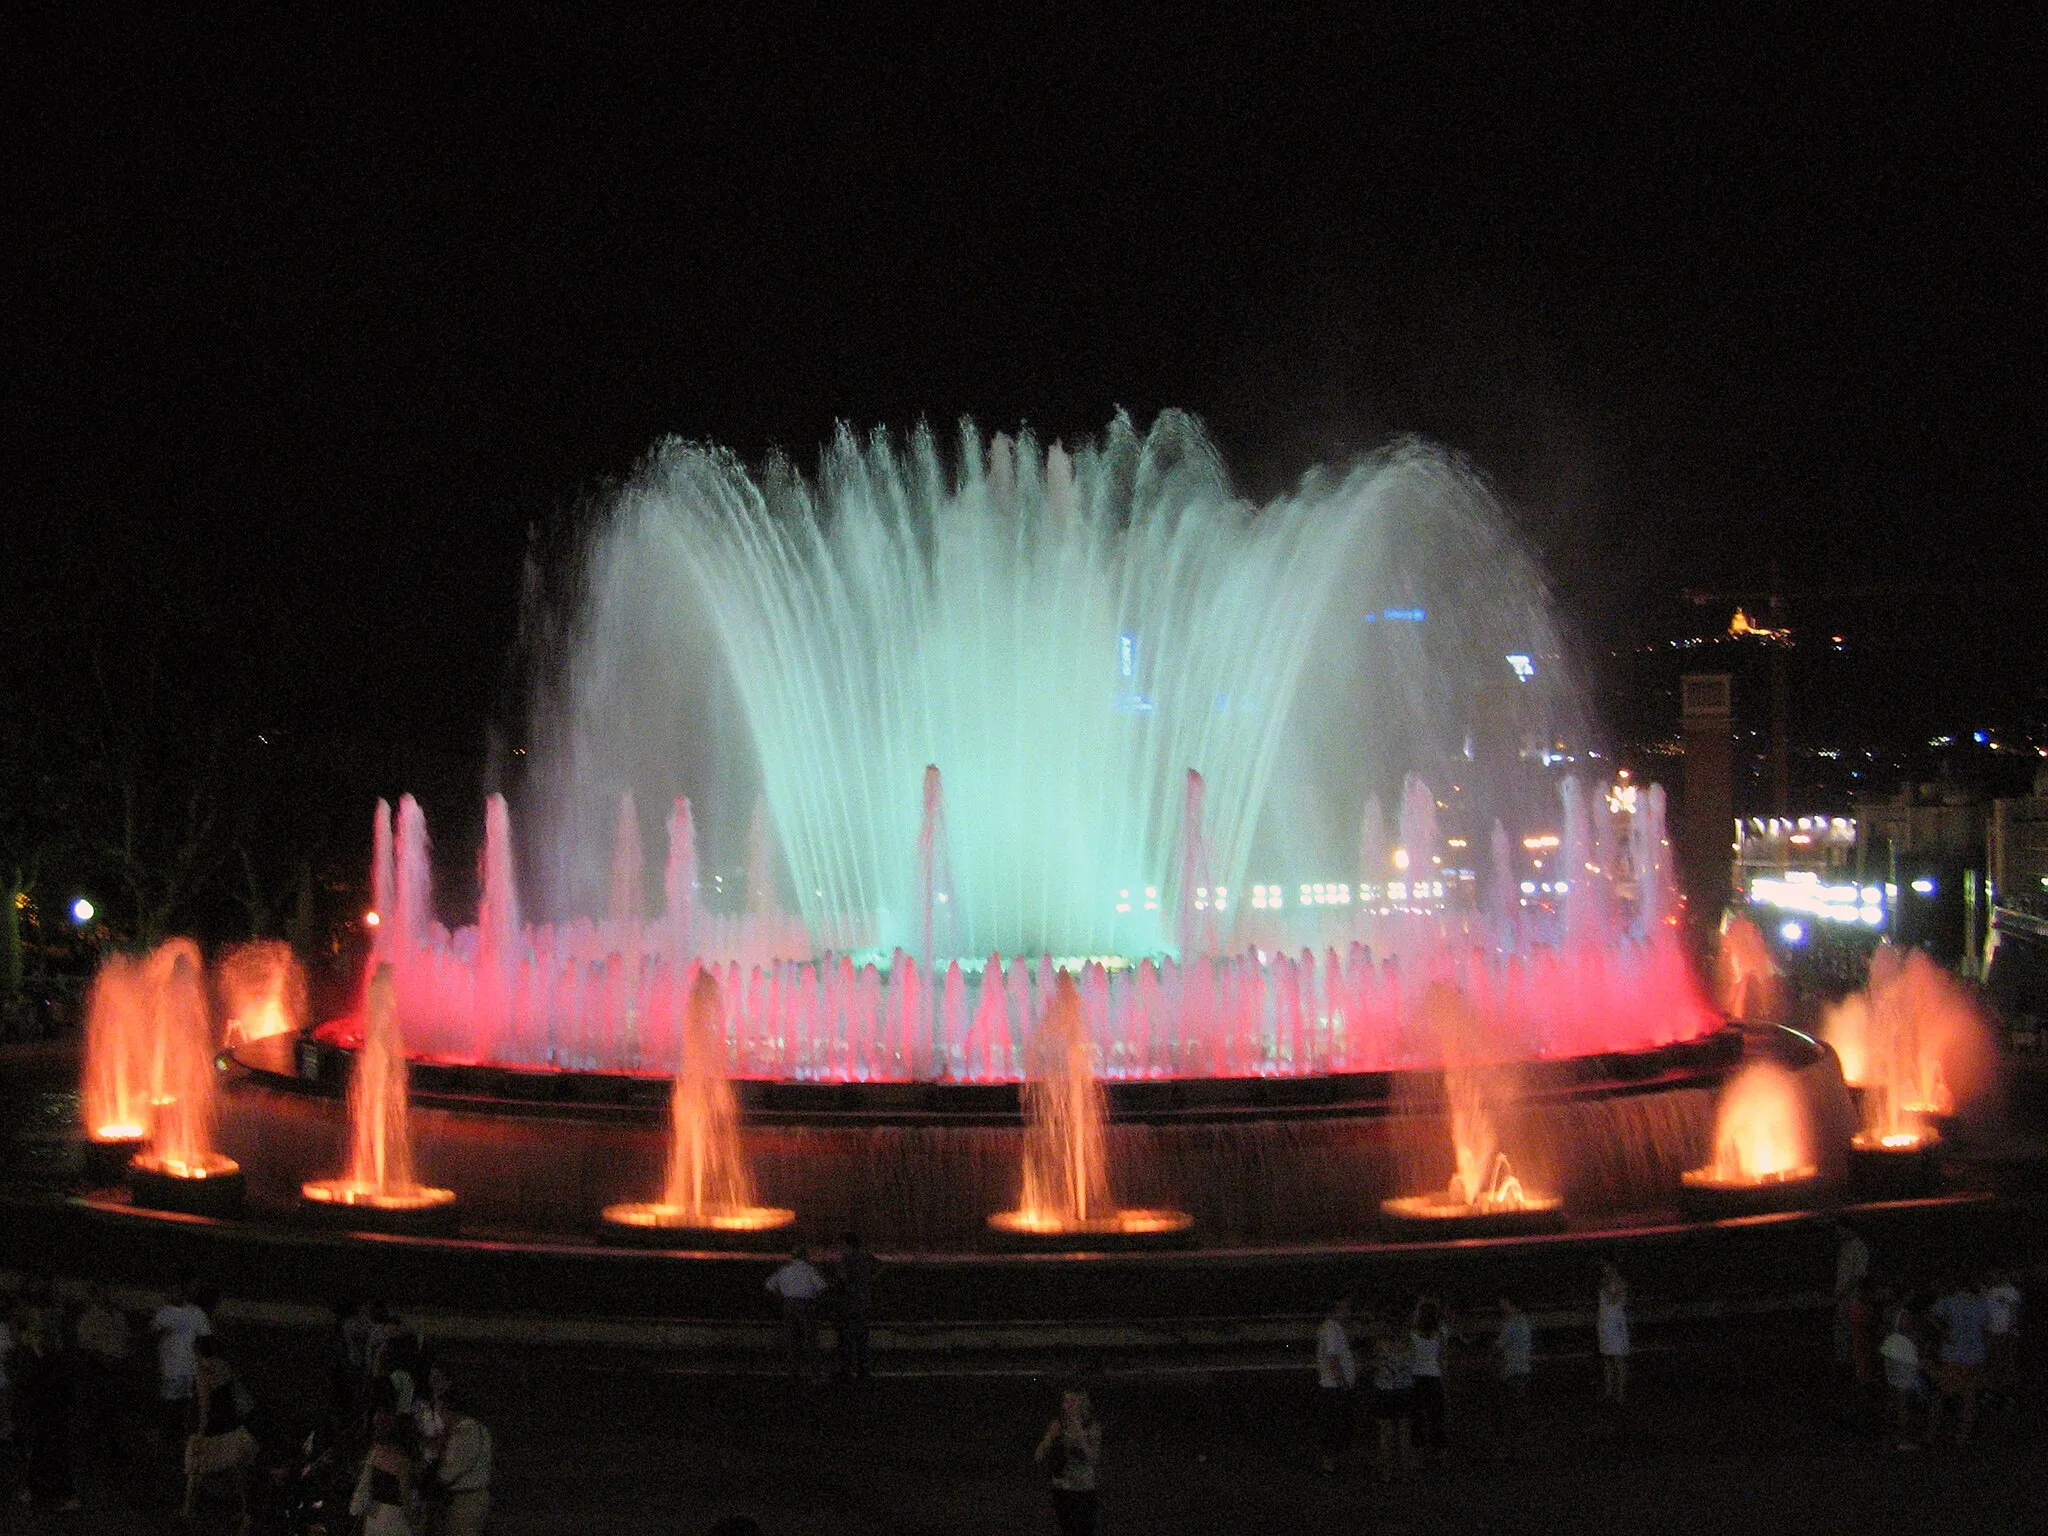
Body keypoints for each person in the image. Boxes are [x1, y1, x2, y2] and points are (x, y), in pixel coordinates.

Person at [184, 1333, 257, 1526]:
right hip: (230, 1425)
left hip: (211, 1429)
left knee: (195, 1469)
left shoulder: (203, 1371)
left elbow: (204, 1406)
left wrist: (200, 1433)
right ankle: (245, 1509)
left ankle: (188, 1509)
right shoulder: (225, 1367)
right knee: (238, 1469)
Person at [14, 1313, 78, 1512]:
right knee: (44, 1453)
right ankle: (37, 1490)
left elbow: (39, 1387)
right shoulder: (49, 1361)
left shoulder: (50, 1363)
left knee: (51, 1453)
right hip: (50, 1414)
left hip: (51, 1415)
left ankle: (64, 1495)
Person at [74, 1281, 132, 1470]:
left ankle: (114, 1452)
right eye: (101, 1292)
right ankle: (94, 1454)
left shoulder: (118, 1316)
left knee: (115, 1412)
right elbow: (85, 1345)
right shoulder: (89, 1318)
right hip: (99, 1370)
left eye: (108, 1291)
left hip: (117, 1369)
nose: (106, 1296)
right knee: (98, 1412)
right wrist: (102, 1358)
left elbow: (124, 1342)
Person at [152, 1276, 213, 1452]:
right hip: (170, 1371)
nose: (173, 1295)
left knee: (187, 1412)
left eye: (176, 1291)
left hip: (189, 1371)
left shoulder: (195, 1314)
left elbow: (205, 1340)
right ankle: (168, 1445)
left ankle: (184, 1445)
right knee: (170, 1410)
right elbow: (155, 1334)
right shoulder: (164, 1313)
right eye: (170, 1291)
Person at [1926, 1276, 1989, 1446]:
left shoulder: (1950, 1301)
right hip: (1972, 1356)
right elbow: (1985, 1327)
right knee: (1969, 1398)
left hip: (1953, 1355)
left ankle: (1931, 1434)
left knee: (1941, 1394)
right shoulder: (1981, 1303)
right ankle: (1962, 1436)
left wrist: (1943, 1332)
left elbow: (1931, 1315)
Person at [1034, 1383, 1102, 1535]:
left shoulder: (1091, 1427)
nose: (1068, 1406)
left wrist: (1081, 1439)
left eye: (1073, 1402)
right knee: (1068, 1529)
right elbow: (1038, 1456)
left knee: (1085, 1529)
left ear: (1082, 1404)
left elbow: (1094, 1459)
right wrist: (1048, 1440)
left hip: (1085, 1487)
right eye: (1066, 1401)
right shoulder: (1058, 1425)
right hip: (1062, 1487)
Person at [428, 1385, 493, 1536]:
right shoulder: (477, 1428)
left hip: (466, 1500)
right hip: (471, 1498)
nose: (439, 1417)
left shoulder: (465, 1432)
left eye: (440, 1412)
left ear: (447, 1409)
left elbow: (448, 1472)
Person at [765, 1245, 830, 1382]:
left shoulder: (784, 1270)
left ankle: (793, 1372)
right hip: (805, 1305)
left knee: (792, 1339)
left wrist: (782, 1296)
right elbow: (822, 1286)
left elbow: (770, 1285)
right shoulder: (810, 1270)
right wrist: (816, 1299)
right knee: (810, 1339)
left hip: (788, 1304)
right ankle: (815, 1374)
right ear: (805, 1256)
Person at [350, 1411, 415, 1536]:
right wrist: (412, 1518)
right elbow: (404, 1492)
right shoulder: (401, 1460)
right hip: (392, 1514)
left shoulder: (375, 1454)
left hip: (374, 1512)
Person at [1366, 1310, 1413, 1482]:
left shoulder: (1379, 1344)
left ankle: (1387, 1472)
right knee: (1403, 1431)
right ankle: (1405, 1472)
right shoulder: (1408, 1344)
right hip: (1403, 1389)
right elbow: (1412, 1364)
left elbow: (1373, 1363)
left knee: (1385, 1432)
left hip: (1384, 1390)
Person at [1315, 1297, 1357, 1473]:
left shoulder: (1333, 1328)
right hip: (1334, 1386)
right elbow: (1332, 1358)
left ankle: (1333, 1460)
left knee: (1337, 1424)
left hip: (1334, 1385)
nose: (1348, 1313)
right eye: (1345, 1309)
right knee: (1334, 1425)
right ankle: (1329, 1462)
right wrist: (1342, 1382)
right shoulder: (1331, 1329)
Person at [1409, 1297, 1452, 1461]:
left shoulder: (1413, 1333)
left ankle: (1417, 1451)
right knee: (1437, 1416)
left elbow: (1411, 1357)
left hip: (1417, 1377)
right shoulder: (1441, 1332)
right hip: (1434, 1376)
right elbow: (1443, 1358)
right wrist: (1445, 1380)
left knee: (1417, 1416)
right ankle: (1441, 1452)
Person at [1880, 1302, 1926, 1451]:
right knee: (1903, 1411)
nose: (1910, 1320)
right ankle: (1903, 1440)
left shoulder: (1892, 1338)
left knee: (1895, 1408)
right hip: (1904, 1382)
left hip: (1895, 1380)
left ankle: (1889, 1438)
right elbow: (1916, 1363)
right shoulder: (1902, 1342)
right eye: (1905, 1318)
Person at [835, 1232, 880, 1382]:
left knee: (847, 1336)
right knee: (863, 1336)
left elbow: (842, 1277)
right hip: (864, 1301)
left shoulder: (845, 1258)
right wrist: (870, 1280)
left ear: (846, 1244)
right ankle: (864, 1368)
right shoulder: (866, 1256)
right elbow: (881, 1266)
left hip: (850, 1302)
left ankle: (846, 1369)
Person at [1492, 1294, 1533, 1458]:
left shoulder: (1510, 1324)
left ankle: (1510, 1449)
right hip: (1523, 1369)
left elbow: (1498, 1346)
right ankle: (1521, 1447)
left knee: (1508, 1411)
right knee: (1520, 1410)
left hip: (1511, 1371)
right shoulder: (1524, 1322)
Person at [1982, 1267, 2021, 1412]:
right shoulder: (1990, 1291)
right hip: (1992, 1333)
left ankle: (2010, 1396)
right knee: (1994, 1363)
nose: (1992, 1275)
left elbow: (2014, 1313)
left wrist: (2010, 1331)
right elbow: (1986, 1312)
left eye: (1995, 1273)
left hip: (2006, 1334)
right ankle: (1994, 1394)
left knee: (2007, 1363)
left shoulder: (2011, 1291)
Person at [1832, 1222, 1870, 1367]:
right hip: (1844, 1295)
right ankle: (1843, 1361)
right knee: (1842, 1329)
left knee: (1850, 1330)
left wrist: (1845, 1293)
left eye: (1840, 1230)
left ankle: (1851, 1363)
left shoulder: (1858, 1248)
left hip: (1851, 1297)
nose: (1838, 1234)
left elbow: (1859, 1275)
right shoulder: (1845, 1247)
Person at [1596, 1262, 1630, 1407]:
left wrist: (1605, 1288)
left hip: (1616, 1325)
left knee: (1618, 1360)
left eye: (1608, 1268)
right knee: (1607, 1360)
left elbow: (1614, 1299)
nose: (1605, 1271)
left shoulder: (1620, 1283)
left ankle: (1620, 1392)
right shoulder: (1603, 1283)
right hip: (1604, 1324)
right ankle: (1609, 1390)